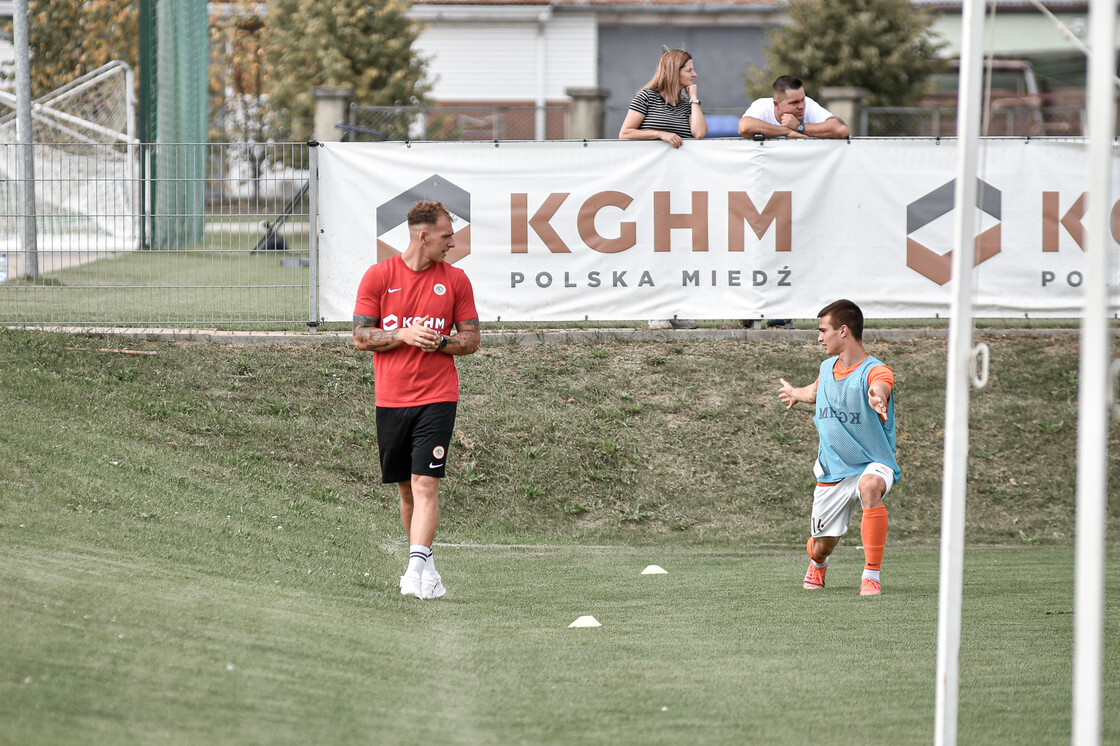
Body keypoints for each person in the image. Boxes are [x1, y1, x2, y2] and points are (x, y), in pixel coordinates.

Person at [353, 200, 481, 600]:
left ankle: (412, 572)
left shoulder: (456, 280)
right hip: (391, 398)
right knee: (406, 490)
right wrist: (405, 335)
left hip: (437, 397)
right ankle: (428, 567)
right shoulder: (378, 276)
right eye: (446, 236)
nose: (453, 242)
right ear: (422, 236)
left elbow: (472, 340)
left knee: (426, 482)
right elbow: (361, 337)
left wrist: (441, 342)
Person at [777, 299, 898, 597]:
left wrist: (877, 396)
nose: (819, 338)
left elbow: (879, 384)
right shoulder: (827, 367)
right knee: (820, 546)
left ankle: (871, 576)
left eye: (823, 330)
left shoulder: (877, 370)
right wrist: (795, 393)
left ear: (843, 331)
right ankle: (818, 562)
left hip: (873, 462)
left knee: (870, 487)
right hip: (834, 469)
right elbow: (817, 390)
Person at [738, 76, 849, 330]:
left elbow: (841, 130)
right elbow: (744, 126)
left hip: (797, 197)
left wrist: (800, 128)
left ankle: (781, 315)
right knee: (756, 253)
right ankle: (750, 310)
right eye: (794, 102)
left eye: (802, 100)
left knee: (789, 256)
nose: (801, 106)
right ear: (776, 104)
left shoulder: (809, 107)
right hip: (760, 197)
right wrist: (786, 131)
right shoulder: (762, 107)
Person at [619, 48, 707, 331]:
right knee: (652, 247)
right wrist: (660, 134)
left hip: (678, 187)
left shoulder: (685, 104)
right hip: (648, 185)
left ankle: (676, 309)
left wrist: (694, 100)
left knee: (677, 249)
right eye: (688, 70)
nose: (694, 75)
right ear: (674, 71)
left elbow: (699, 132)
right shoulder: (645, 97)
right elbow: (626, 132)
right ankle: (657, 310)